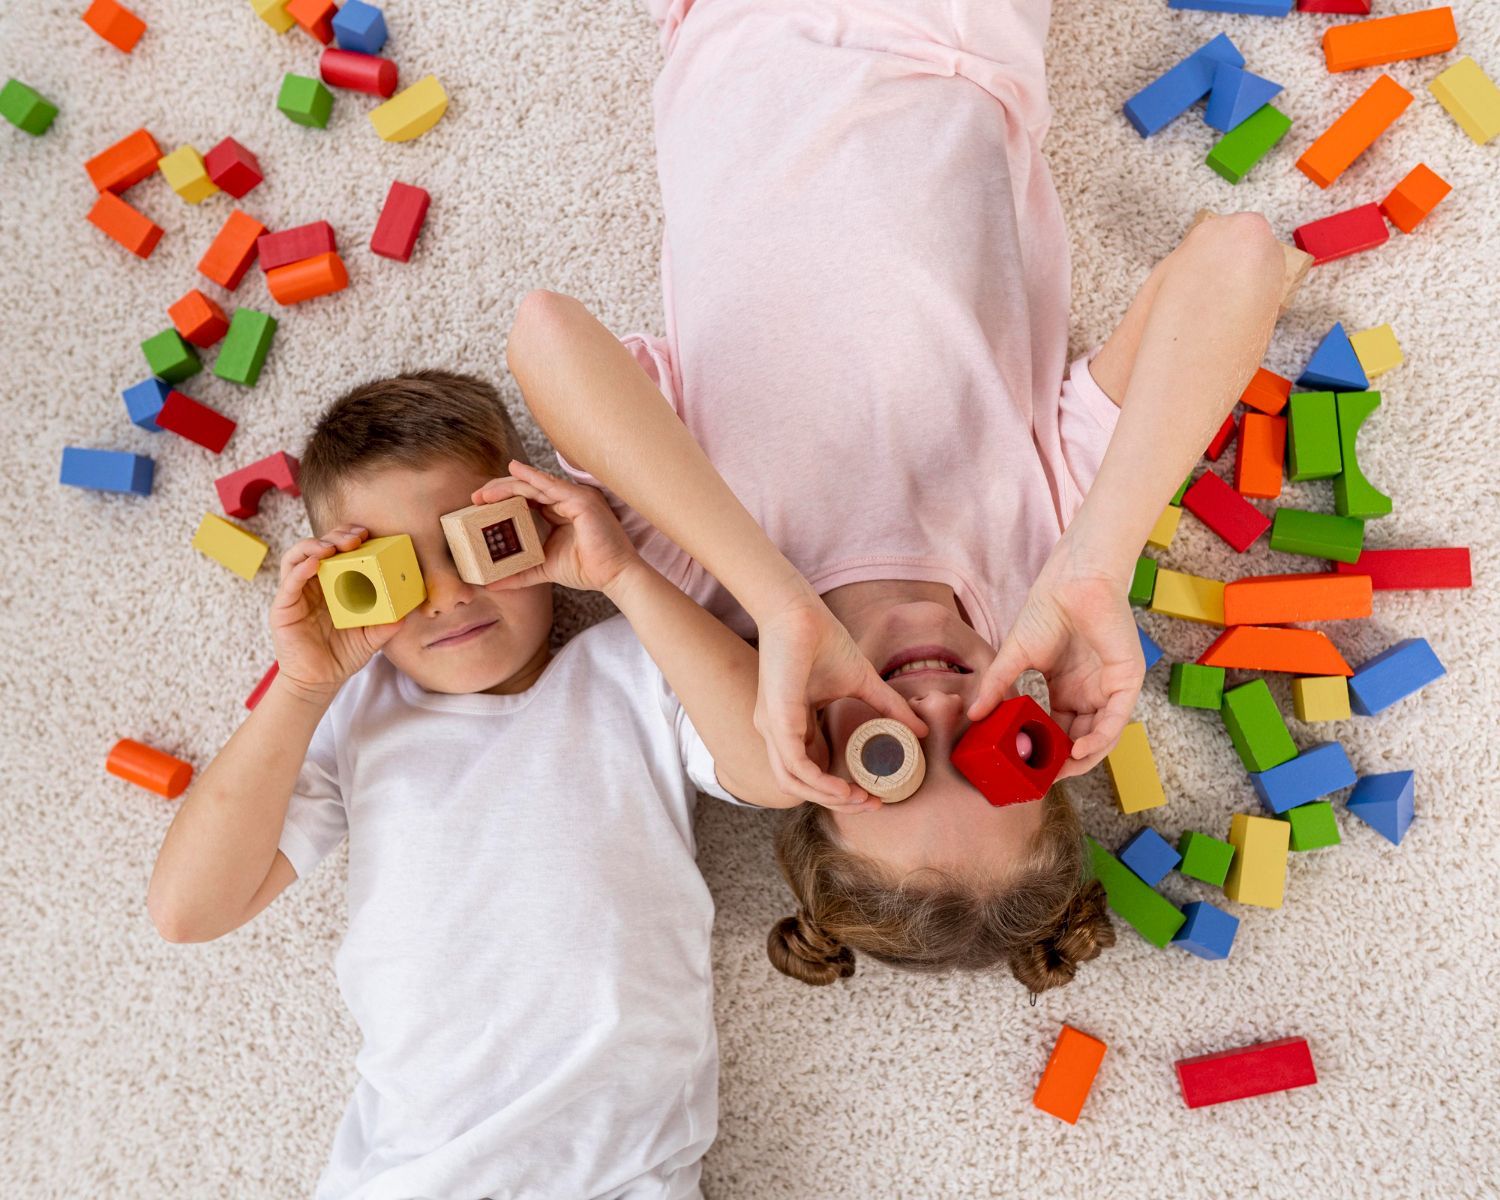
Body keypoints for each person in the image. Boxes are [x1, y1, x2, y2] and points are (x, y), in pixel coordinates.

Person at [501, 0, 1287, 992]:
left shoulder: (710, 563)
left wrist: (783, 602)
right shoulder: (1049, 549)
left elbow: (543, 335)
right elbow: (1241, 255)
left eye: (893, 757)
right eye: (999, 747)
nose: (939, 703)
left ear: (816, 762)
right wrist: (1097, 564)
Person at [146, 372, 854, 1198]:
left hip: (621, 1174)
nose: (448, 596)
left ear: (536, 523)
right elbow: (188, 911)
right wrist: (302, 689)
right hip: (414, 1174)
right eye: (395, 574)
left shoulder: (633, 668)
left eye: (478, 544)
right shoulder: (357, 714)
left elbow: (778, 769)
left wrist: (622, 574)